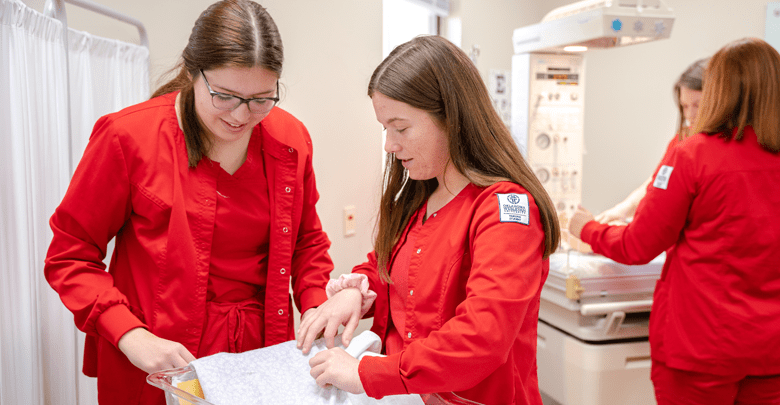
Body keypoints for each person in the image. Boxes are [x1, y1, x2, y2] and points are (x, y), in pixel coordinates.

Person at [43, 1, 333, 403]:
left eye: (261, 98)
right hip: (157, 355)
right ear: (193, 73)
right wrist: (129, 334)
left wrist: (317, 306)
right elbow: (70, 256)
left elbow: (307, 242)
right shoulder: (128, 137)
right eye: (225, 96)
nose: (241, 115)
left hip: (260, 355)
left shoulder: (289, 139)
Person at [297, 35, 560, 404]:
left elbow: (482, 338)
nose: (389, 144)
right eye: (384, 128)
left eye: (401, 128)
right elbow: (390, 267)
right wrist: (357, 291)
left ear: (451, 118)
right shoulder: (422, 194)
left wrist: (366, 372)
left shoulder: (505, 208)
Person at [568, 37, 780, 404]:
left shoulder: (694, 154)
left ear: (720, 90)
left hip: (702, 348)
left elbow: (638, 245)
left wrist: (586, 228)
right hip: (770, 351)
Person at [595, 57, 708, 225]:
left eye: (697, 105)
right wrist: (624, 208)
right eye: (684, 106)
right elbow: (657, 182)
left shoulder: (721, 148)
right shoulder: (682, 140)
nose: (689, 115)